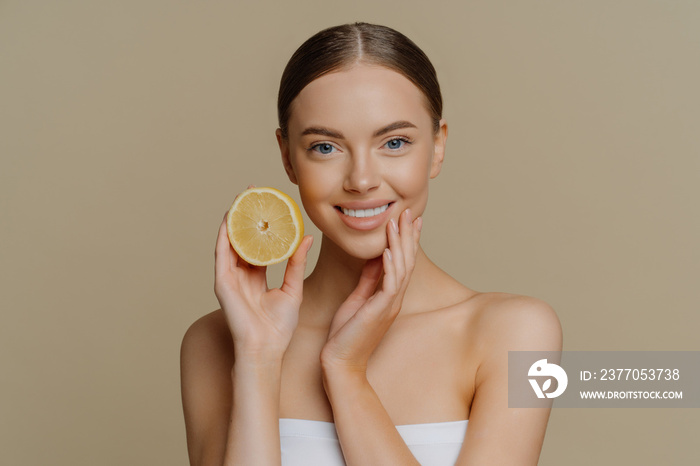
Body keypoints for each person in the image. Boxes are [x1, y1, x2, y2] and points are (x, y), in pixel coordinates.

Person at [180, 22, 562, 465]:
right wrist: (258, 360)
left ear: (437, 147)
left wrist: (346, 374)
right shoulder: (215, 341)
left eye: (394, 142)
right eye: (325, 147)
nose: (361, 180)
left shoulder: (517, 333)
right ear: (287, 157)